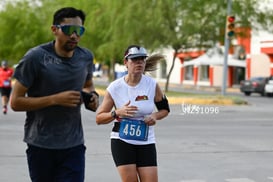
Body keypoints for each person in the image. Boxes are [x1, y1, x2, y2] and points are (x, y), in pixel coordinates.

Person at [10, 7, 99, 182]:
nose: (74, 36)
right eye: (68, 30)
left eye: (79, 31)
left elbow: (88, 85)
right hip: (40, 144)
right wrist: (54, 99)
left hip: (73, 145)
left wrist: (92, 97)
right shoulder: (35, 58)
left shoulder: (85, 57)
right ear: (54, 30)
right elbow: (15, 102)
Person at [96, 45, 170, 182]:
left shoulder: (152, 85)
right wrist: (117, 113)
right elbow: (99, 118)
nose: (139, 63)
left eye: (142, 59)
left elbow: (165, 110)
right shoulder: (115, 87)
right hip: (122, 140)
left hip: (146, 140)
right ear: (126, 63)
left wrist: (154, 116)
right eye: (135, 60)